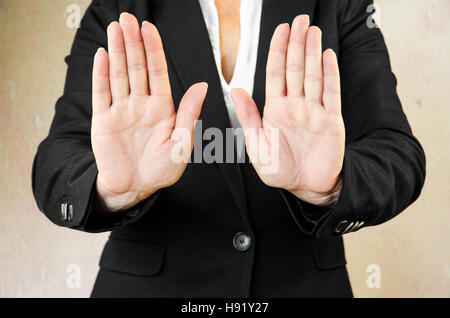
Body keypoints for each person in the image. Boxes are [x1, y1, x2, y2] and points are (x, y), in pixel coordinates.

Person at [32, 0, 426, 297]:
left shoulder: (340, 4)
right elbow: (56, 165)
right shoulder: (119, 6)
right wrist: (111, 190)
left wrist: (333, 185)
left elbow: (397, 155)